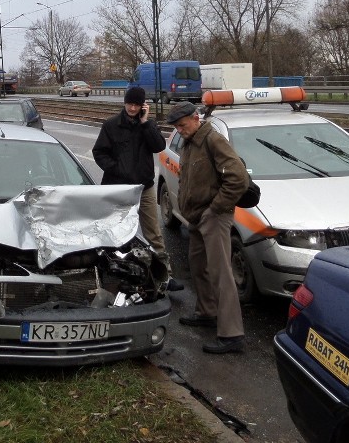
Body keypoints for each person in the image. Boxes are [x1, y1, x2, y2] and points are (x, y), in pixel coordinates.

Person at [167, 100, 249, 354]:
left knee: (221, 273)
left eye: (182, 125)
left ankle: (232, 334)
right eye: (176, 127)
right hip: (197, 217)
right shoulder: (191, 143)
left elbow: (238, 178)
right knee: (199, 267)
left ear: (195, 118)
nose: (179, 130)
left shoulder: (213, 140)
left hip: (213, 217)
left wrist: (215, 209)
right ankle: (207, 311)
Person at [93, 87, 182, 292]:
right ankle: (116, 273)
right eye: (129, 104)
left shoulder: (147, 125)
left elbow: (159, 146)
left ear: (142, 105)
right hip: (118, 188)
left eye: (136, 105)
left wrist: (146, 123)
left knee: (154, 232)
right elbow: (99, 152)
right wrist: (116, 169)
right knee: (116, 231)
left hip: (145, 187)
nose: (132, 108)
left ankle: (165, 275)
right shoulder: (111, 125)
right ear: (124, 103)